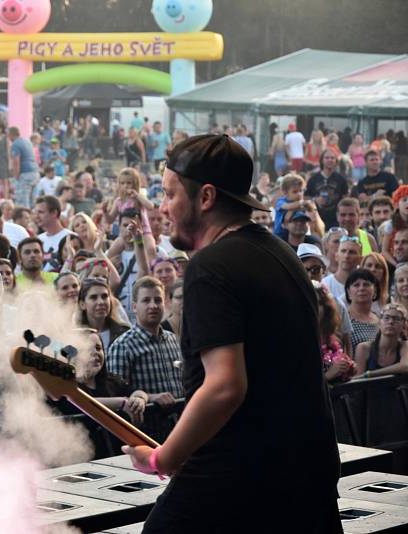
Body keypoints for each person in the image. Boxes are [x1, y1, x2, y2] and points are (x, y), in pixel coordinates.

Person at [123, 134, 341, 532]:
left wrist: (164, 457)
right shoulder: (281, 254)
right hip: (308, 467)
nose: (162, 208)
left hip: (239, 476)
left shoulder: (211, 266)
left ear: (205, 197)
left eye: (170, 194)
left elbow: (226, 385)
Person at [106, 277, 184, 417]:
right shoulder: (122, 346)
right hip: (147, 429)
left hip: (179, 423)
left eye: (158, 300)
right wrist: (151, 397)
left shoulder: (172, 339)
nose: (153, 305)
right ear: (135, 307)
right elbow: (115, 394)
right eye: (146, 300)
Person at [354, 303, 408, 379]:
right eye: (386, 318)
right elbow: (357, 380)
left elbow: (405, 366)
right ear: (379, 323)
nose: (391, 322)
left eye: (396, 319)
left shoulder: (405, 345)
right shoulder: (364, 348)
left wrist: (370, 374)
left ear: (404, 326)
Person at [78, 277, 130, 351]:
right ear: (82, 304)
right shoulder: (74, 335)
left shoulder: (124, 332)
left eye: (104, 296)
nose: (101, 302)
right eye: (93, 297)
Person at [306, 149, 348, 228]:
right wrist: (315, 200)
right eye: (327, 158)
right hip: (317, 218)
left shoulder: (341, 179)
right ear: (322, 160)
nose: (330, 160)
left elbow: (345, 197)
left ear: (336, 161)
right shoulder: (313, 179)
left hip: (335, 219)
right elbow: (306, 197)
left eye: (332, 158)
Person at [345, 268, 381, 353]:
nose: (361, 288)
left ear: (375, 290)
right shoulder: (344, 318)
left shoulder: (381, 319)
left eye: (366, 284)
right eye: (356, 285)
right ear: (348, 291)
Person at [34, 196, 71, 270]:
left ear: (54, 213)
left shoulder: (70, 238)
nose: (36, 216)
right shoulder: (37, 240)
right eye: (36, 213)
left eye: (41, 212)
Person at [321, 236, 362, 303]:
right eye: (343, 251)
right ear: (336, 256)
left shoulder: (364, 286)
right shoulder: (325, 284)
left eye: (352, 252)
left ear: (360, 259)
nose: (346, 256)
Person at [8, 126, 40, 208]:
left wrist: (16, 176)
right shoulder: (27, 141)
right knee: (33, 201)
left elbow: (16, 161)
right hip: (35, 172)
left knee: (23, 202)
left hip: (25, 173)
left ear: (11, 134)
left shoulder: (15, 144)